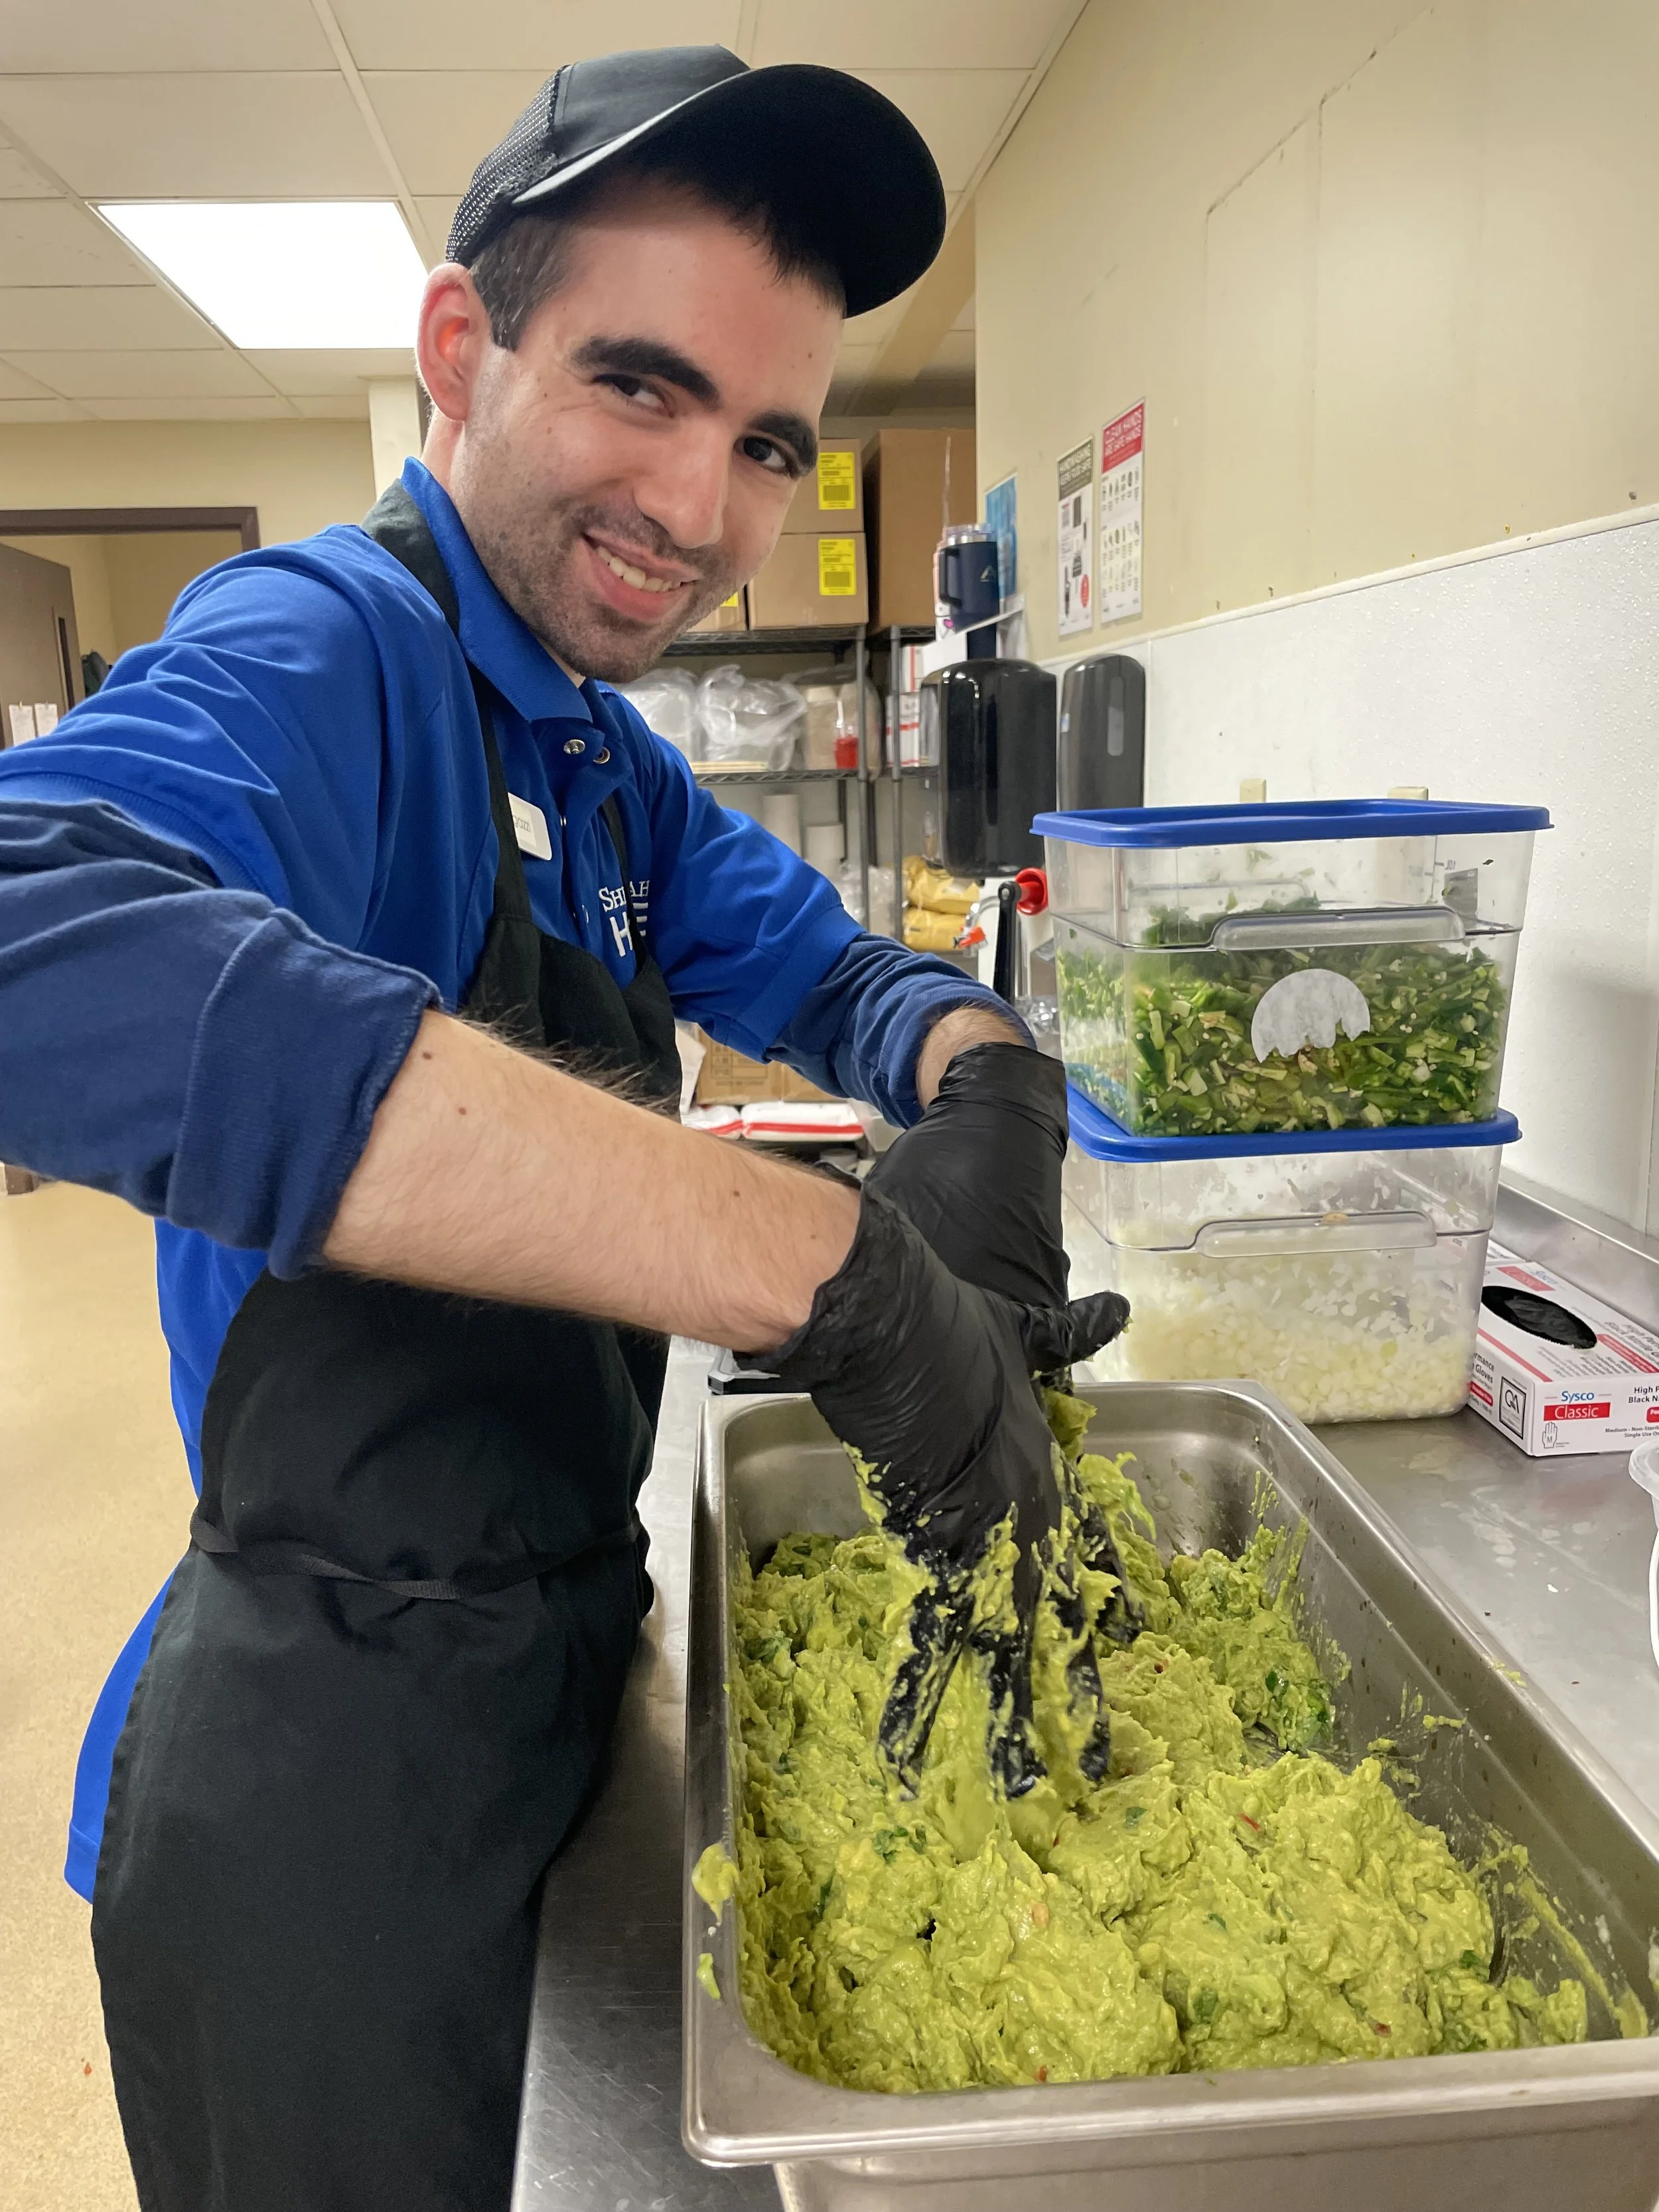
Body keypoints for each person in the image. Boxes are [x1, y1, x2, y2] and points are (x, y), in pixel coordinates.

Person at [0, 45, 1122, 2212]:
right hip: (319, 1758)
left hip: (553, 1644)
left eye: (766, 441)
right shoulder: (333, 650)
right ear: (460, 349)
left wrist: (990, 1087)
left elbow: (852, 978)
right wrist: (828, 1265)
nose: (700, 511)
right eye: (636, 385)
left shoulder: (601, 760)